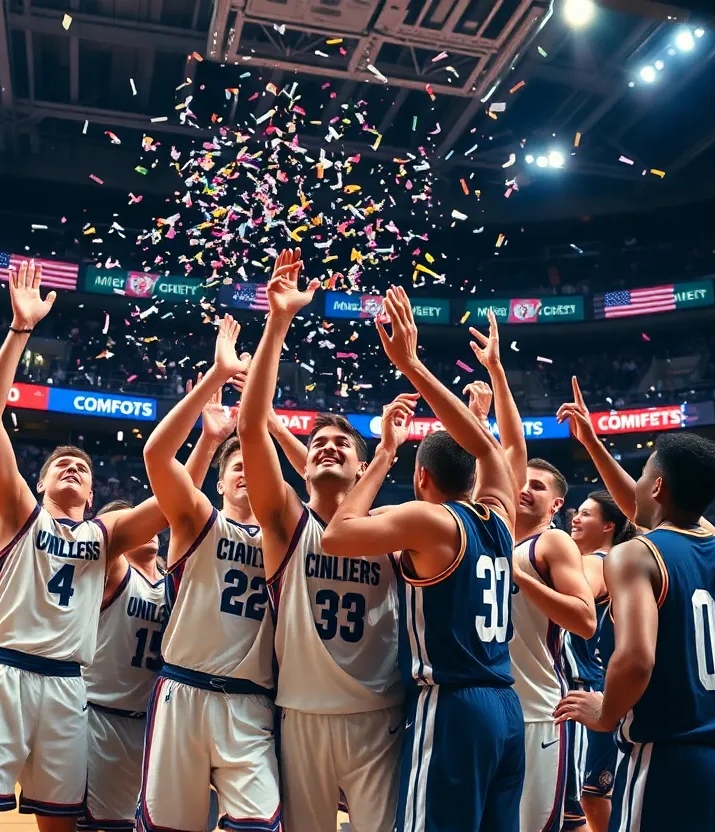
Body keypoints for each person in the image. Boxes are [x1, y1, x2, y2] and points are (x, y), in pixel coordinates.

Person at [0, 261, 164, 830]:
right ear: (41, 483)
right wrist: (20, 331)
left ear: (93, 494)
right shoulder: (19, 513)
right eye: (60, 465)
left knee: (60, 822)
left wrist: (213, 426)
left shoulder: (108, 537)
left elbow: (175, 498)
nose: (71, 467)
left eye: (82, 468)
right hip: (7, 671)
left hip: (71, 686)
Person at [322, 286, 523, 831]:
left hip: (453, 705)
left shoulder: (429, 519)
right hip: (507, 708)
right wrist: (426, 371)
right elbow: (491, 448)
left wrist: (385, 448)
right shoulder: (500, 516)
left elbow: (336, 535)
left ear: (421, 477)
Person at [238, 250, 402, 832]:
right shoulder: (285, 521)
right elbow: (251, 428)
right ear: (303, 464)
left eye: (343, 443)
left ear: (363, 466)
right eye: (319, 441)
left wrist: (389, 451)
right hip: (301, 712)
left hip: (380, 712)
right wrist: (277, 322)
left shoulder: (392, 530)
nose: (329, 445)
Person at [554, 432, 715, 832]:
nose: (637, 485)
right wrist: (713, 717)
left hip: (669, 761)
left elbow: (637, 659)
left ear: (657, 485)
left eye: (642, 475)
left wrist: (606, 714)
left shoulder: (635, 553)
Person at [138, 317, 307, 832]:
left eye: (251, 466)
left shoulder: (294, 533)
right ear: (219, 478)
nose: (244, 471)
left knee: (258, 826)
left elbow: (333, 492)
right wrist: (216, 379)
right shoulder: (196, 522)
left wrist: (272, 429)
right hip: (183, 692)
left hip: (251, 701)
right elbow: (155, 455)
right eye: (234, 467)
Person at [460, 315, 596, 832]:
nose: (525, 488)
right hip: (484, 706)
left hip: (540, 710)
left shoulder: (553, 541)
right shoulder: (486, 530)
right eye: (524, 482)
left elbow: (585, 620)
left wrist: (523, 581)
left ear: (557, 503)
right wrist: (478, 416)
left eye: (538, 487)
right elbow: (498, 458)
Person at [80, 499, 168, 832]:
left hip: (157, 726)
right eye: (136, 523)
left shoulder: (174, 579)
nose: (148, 529)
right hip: (102, 718)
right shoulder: (113, 572)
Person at [567, 491, 633, 832]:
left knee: (587, 799)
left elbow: (579, 601)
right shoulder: (599, 561)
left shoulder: (596, 562)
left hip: (589, 687)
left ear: (609, 525)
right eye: (577, 512)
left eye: (586, 514)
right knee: (591, 797)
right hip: (593, 683)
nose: (575, 518)